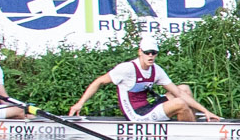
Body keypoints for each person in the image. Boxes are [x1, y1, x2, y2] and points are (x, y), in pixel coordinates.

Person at [69, 39, 220, 122]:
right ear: (140, 52)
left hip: (147, 107)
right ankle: (191, 132)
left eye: (154, 53)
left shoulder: (156, 69)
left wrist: (206, 111)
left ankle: (194, 121)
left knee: (184, 89)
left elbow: (179, 92)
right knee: (179, 103)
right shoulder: (126, 69)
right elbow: (98, 82)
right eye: (147, 52)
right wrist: (80, 103)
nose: (151, 56)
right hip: (136, 115)